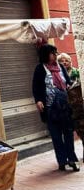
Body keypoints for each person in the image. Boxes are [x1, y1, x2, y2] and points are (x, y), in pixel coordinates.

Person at [32, 43, 79, 171]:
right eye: (53, 53)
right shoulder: (40, 69)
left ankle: (72, 159)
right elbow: (36, 87)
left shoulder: (61, 67)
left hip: (64, 105)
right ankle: (62, 161)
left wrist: (72, 85)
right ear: (46, 55)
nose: (55, 55)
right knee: (56, 135)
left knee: (68, 133)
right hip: (50, 107)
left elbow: (67, 82)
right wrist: (38, 100)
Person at [58, 52, 84, 160]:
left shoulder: (77, 72)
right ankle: (70, 156)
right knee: (76, 130)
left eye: (66, 60)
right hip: (67, 108)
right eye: (61, 61)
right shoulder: (57, 75)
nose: (64, 63)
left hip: (79, 106)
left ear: (70, 62)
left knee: (82, 129)